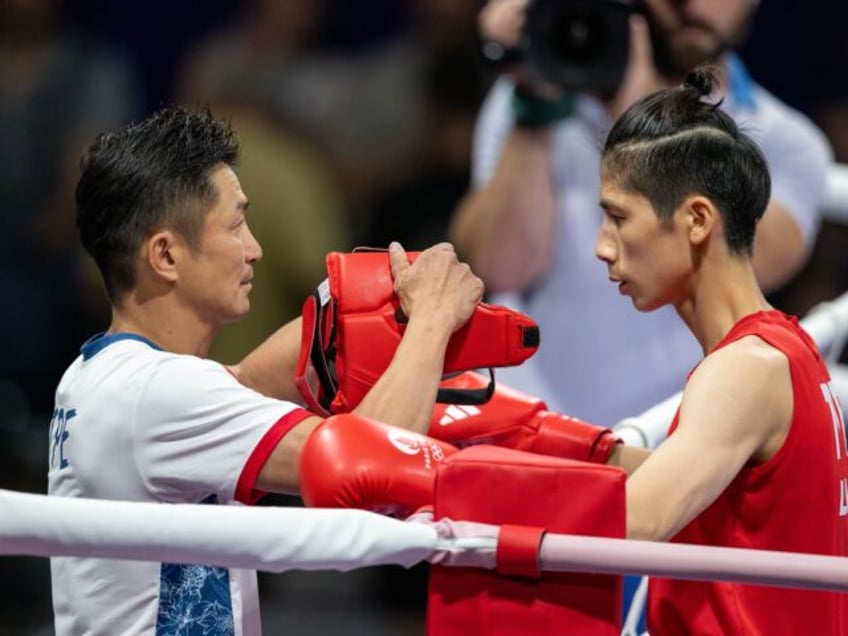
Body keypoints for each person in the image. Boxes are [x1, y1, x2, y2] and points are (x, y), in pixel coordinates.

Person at [47, 105, 484, 635]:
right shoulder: (163, 391)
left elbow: (241, 385)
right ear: (165, 255)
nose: (254, 249)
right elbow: (372, 471)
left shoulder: (94, 375)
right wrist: (433, 317)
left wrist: (343, 311)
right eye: (235, 225)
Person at [450, 0, 833, 425]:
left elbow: (752, 261)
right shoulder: (535, 98)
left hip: (687, 442)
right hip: (538, 438)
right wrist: (536, 104)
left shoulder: (788, 142)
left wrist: (646, 124)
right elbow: (500, 267)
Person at [594, 67, 847, 633]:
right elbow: (720, 489)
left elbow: (637, 522)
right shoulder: (784, 350)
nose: (602, 248)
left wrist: (470, 494)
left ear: (697, 220)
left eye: (617, 217)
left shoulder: (745, 370)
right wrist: (557, 446)